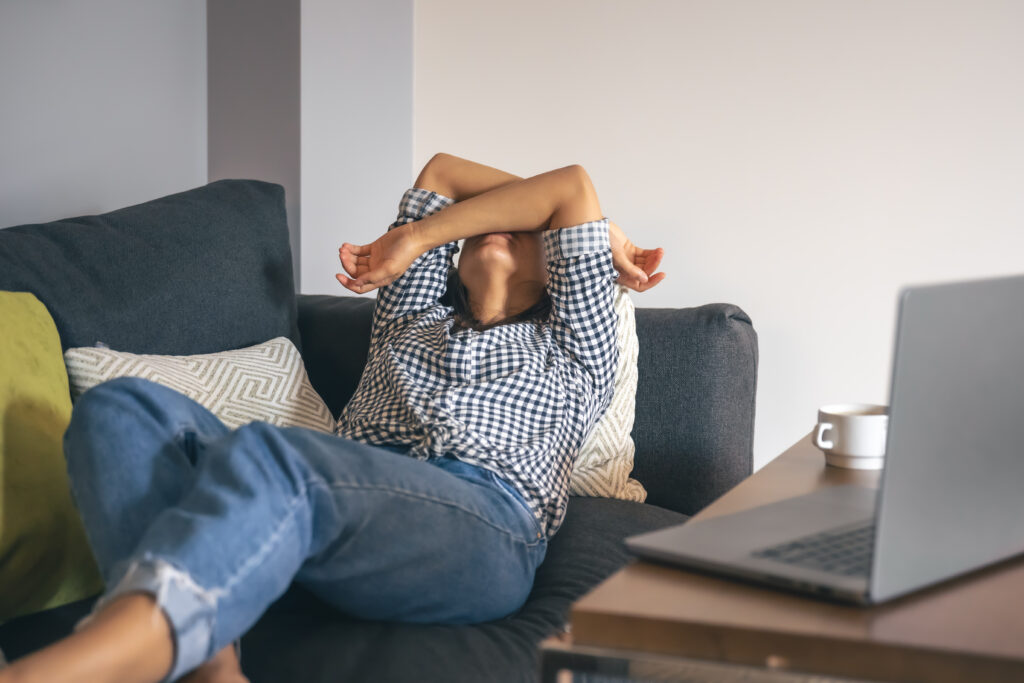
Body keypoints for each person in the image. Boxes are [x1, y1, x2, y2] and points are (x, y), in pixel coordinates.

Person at [0, 153, 664, 683]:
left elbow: (570, 186)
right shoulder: (412, 317)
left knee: (276, 457)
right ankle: (210, 663)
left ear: (561, 269)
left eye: (527, 229)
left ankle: (76, 665)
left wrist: (589, 229)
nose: (497, 228)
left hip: (484, 527)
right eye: (483, 223)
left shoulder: (577, 347)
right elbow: (441, 171)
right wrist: (454, 232)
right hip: (342, 498)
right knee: (120, 409)